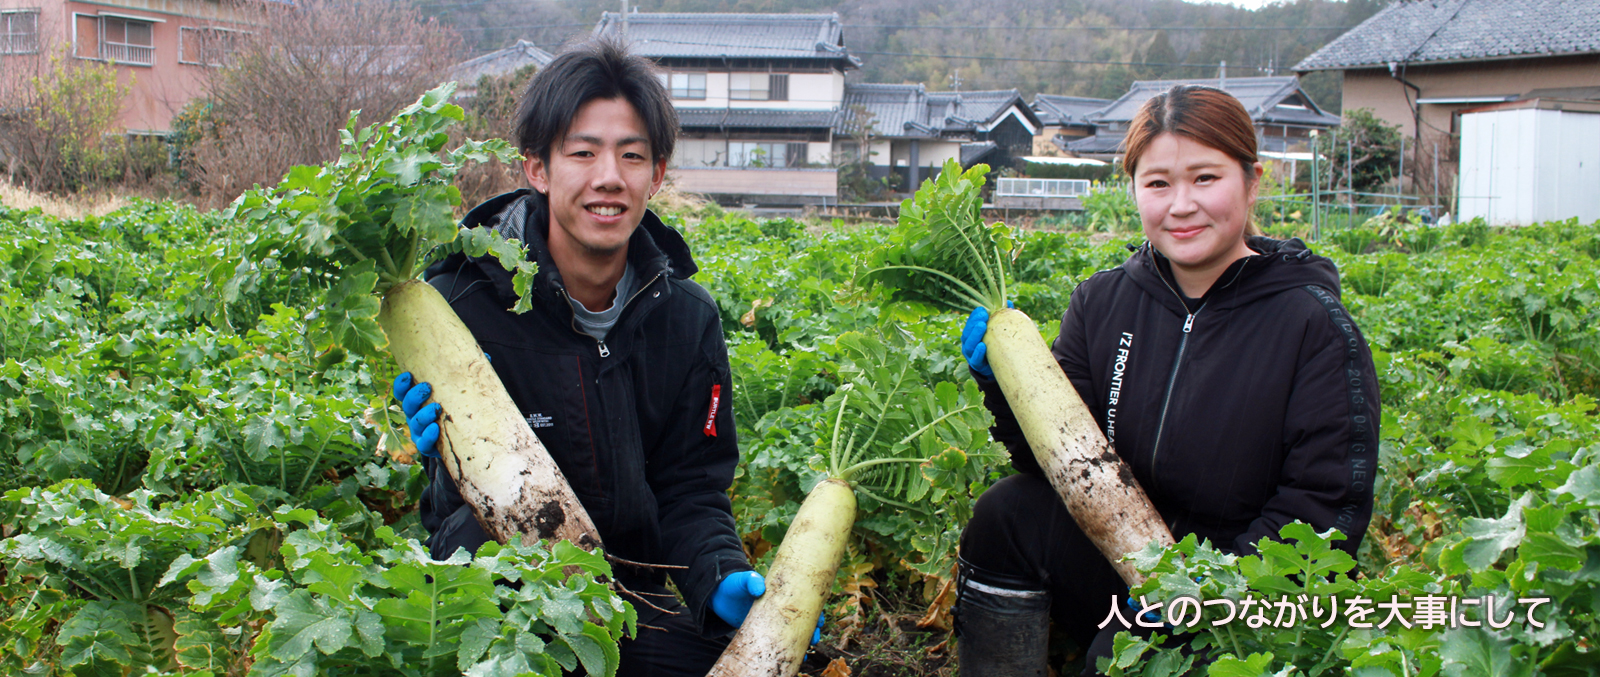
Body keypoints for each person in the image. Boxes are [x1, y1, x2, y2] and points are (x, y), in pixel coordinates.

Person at [390, 40, 808, 676]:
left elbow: (691, 487)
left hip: (627, 604)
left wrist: (719, 576)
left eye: (631, 155)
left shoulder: (687, 318)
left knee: (785, 665)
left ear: (656, 175)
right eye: (583, 153)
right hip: (493, 602)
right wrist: (439, 453)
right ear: (537, 168)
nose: (608, 176)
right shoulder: (458, 304)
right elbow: (459, 501)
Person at [952, 85, 1380, 676]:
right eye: (1158, 184)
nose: (1181, 205)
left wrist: (1212, 596)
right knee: (1008, 513)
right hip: (1122, 552)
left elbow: (1324, 507)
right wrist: (1003, 384)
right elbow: (1060, 465)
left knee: (1125, 657)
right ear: (1133, 190)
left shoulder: (1312, 323)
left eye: (1205, 178)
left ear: (1252, 182)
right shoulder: (1102, 301)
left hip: (1240, 592)